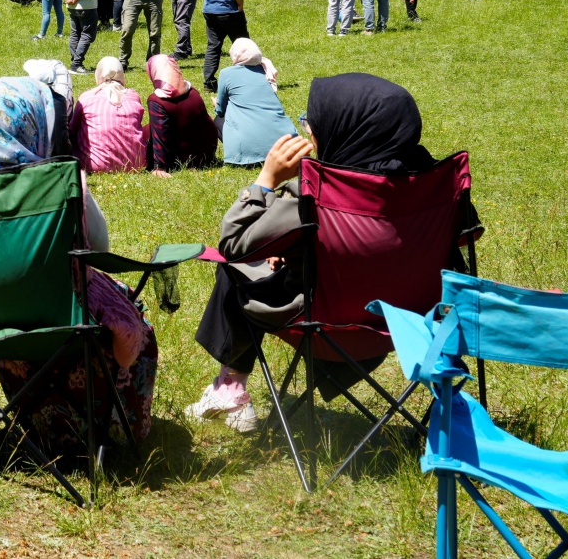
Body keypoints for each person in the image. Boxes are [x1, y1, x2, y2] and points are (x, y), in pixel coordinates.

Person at [186, 73, 473, 432]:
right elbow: (457, 240)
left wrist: (266, 179)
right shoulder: (437, 186)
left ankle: (229, 388)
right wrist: (299, 252)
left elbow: (235, 243)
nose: (308, 132)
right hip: (410, 326)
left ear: (348, 130)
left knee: (233, 271)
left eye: (313, 123)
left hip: (325, 328)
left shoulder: (324, 193)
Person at [0, 74, 158, 447]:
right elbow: (99, 249)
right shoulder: (58, 185)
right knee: (131, 313)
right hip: (62, 324)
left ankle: (40, 424)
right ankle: (112, 429)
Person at [213, 39, 292, 167]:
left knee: (218, 120)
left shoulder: (226, 73)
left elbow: (220, 110)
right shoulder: (266, 69)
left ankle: (242, 152)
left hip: (249, 152)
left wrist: (216, 103)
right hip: (285, 143)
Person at [71, 56, 146, 174]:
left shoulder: (87, 97)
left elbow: (73, 130)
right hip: (136, 163)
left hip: (96, 165)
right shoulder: (133, 96)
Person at [143, 55, 216, 175]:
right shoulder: (193, 92)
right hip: (205, 155)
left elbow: (160, 134)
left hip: (179, 159)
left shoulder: (157, 101)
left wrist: (159, 167)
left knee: (146, 132)